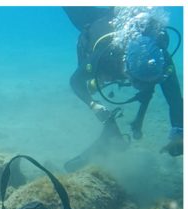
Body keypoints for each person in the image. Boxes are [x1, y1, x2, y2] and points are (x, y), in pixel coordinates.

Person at [66, 6, 183, 156]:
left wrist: (180, 132)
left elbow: (175, 99)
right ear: (126, 69)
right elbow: (75, 81)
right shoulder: (106, 55)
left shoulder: (161, 60)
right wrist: (93, 104)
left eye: (151, 82)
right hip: (93, 19)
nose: (144, 87)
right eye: (140, 82)